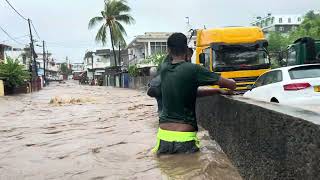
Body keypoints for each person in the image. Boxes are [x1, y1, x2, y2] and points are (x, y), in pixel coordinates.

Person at [153, 33, 236, 155]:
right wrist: (228, 84)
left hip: (163, 136)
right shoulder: (193, 69)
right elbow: (230, 85)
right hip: (185, 138)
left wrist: (216, 90)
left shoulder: (164, 69)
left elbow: (189, 91)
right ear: (186, 50)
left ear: (168, 50)